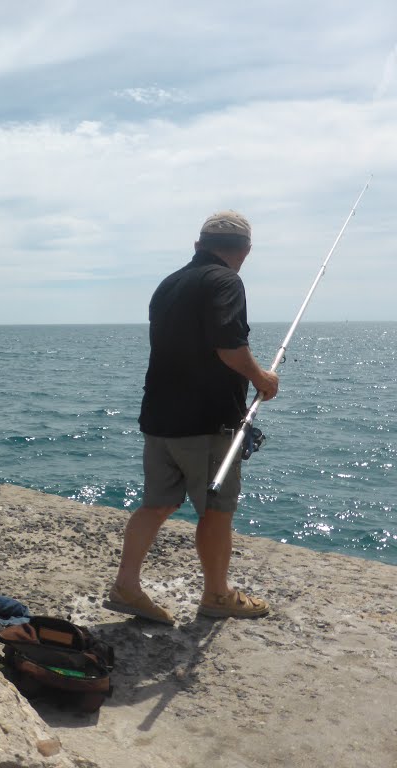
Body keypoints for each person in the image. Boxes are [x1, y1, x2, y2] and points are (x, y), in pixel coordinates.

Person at [105, 211, 280, 624]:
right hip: (206, 424)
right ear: (245, 251)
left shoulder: (169, 284)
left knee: (157, 504)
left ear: (197, 244)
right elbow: (228, 346)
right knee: (217, 511)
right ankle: (217, 595)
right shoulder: (226, 281)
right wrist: (263, 379)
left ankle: (126, 586)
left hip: (159, 419)